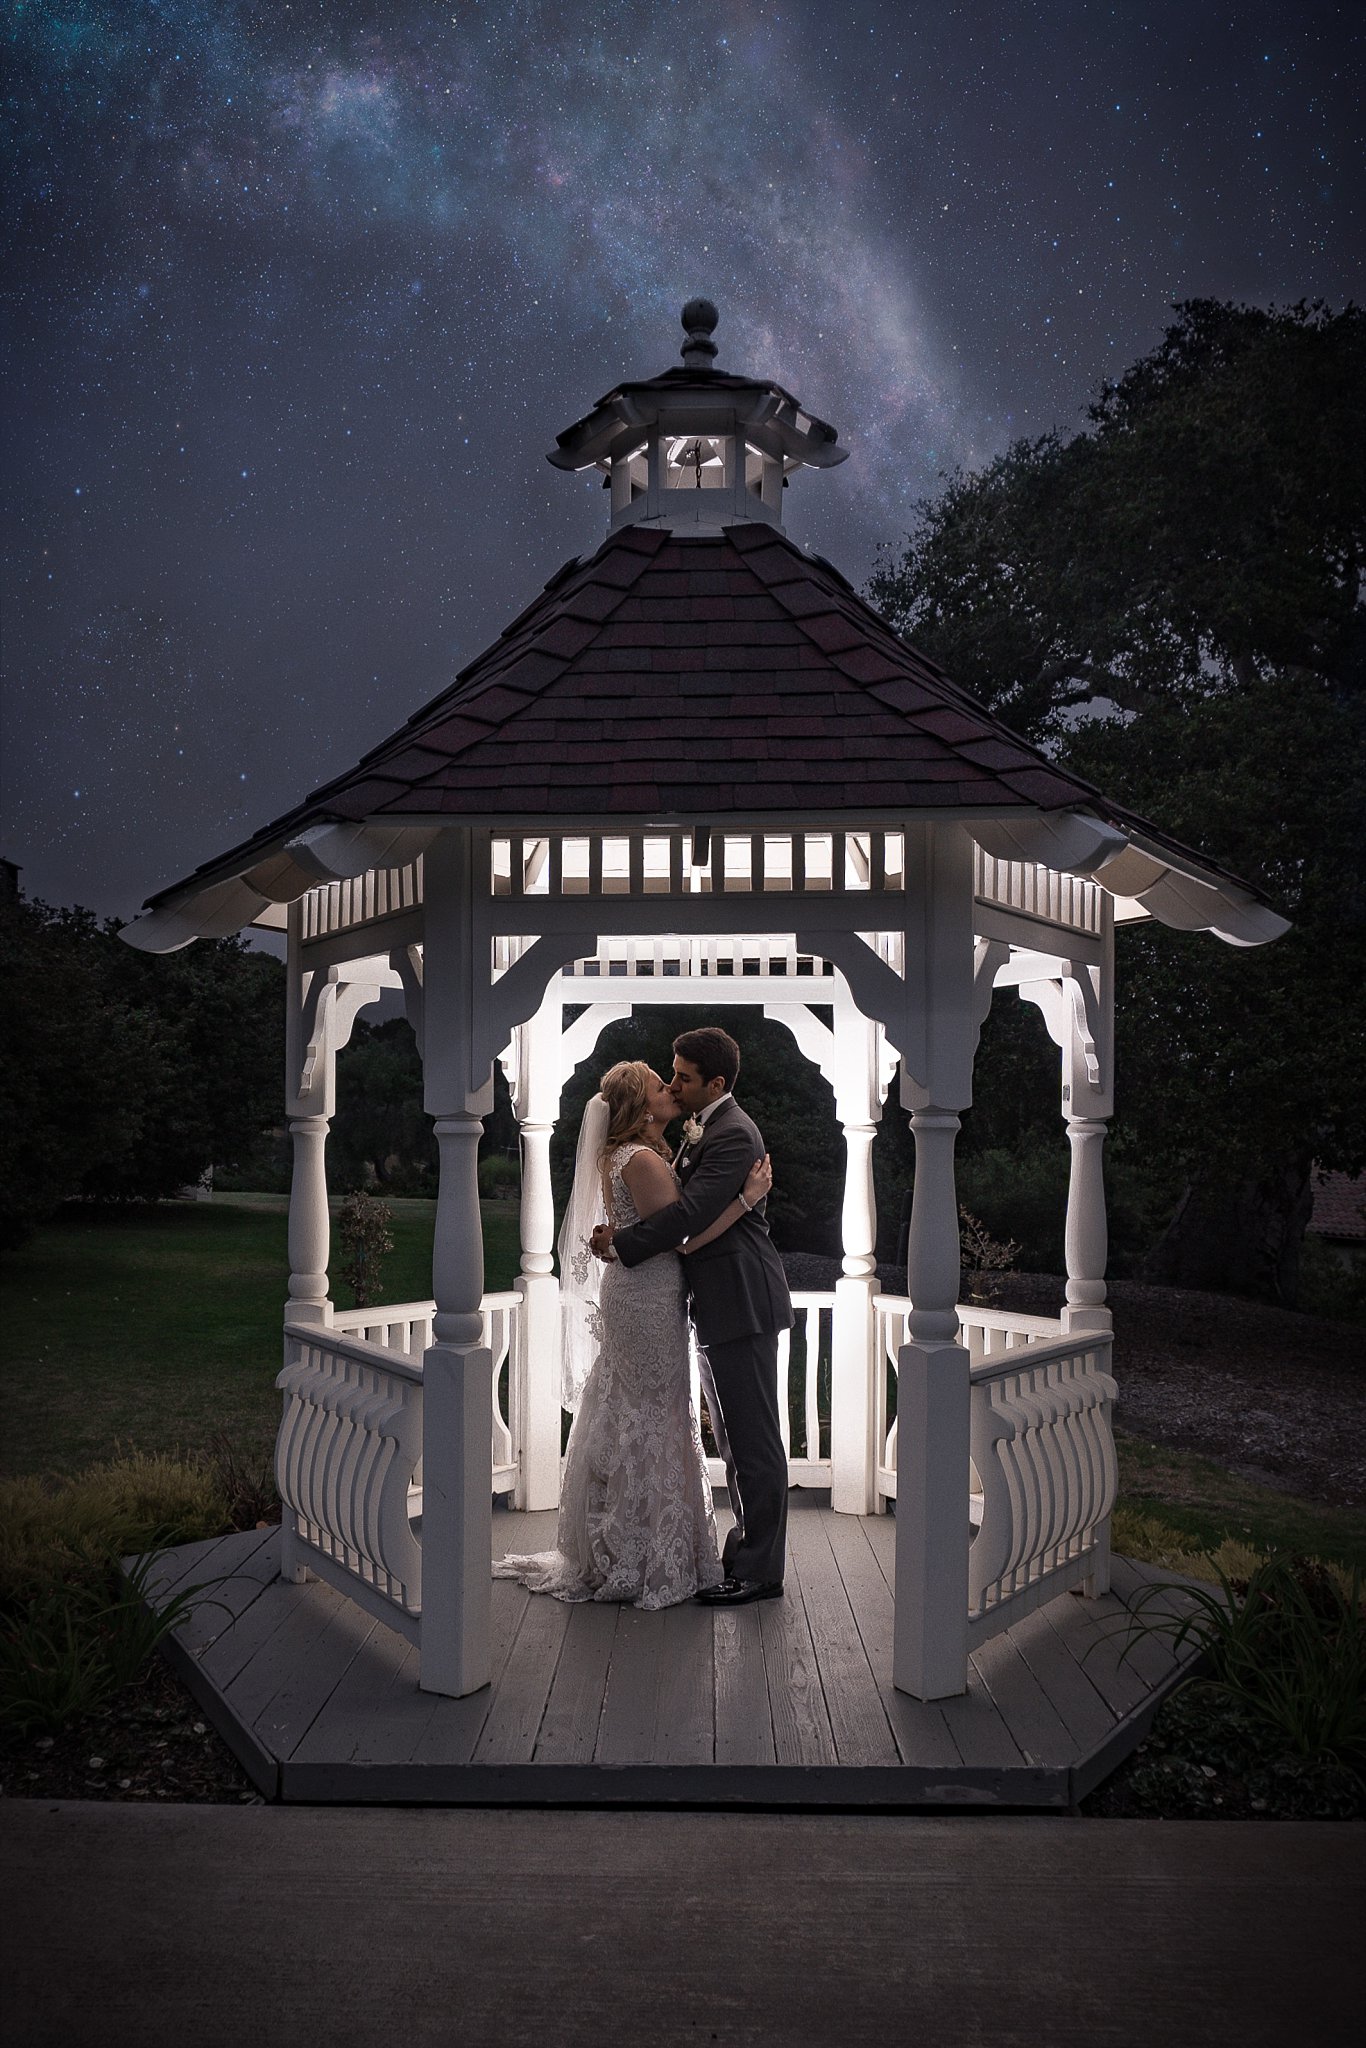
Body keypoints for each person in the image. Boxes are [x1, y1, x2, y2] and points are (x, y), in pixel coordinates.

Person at [493, 1059, 771, 1611]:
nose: (671, 1091)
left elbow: (655, 1225)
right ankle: (641, 1553)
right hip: (646, 1298)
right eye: (660, 1086)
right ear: (643, 1108)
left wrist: (619, 1237)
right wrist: (746, 1200)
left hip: (645, 1292)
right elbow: (681, 1235)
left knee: (632, 1410)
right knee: (653, 1415)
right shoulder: (641, 1158)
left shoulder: (632, 1154)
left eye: (673, 1083)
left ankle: (630, 1544)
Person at [592, 1027, 793, 1606]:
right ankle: (745, 1550)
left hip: (740, 1299)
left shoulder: (733, 1134)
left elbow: (688, 1219)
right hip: (712, 1304)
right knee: (732, 1439)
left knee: (753, 1440)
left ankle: (760, 1571)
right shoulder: (702, 1129)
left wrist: (621, 1243)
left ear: (717, 1084)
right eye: (671, 1075)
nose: (674, 1084)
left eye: (682, 1076)